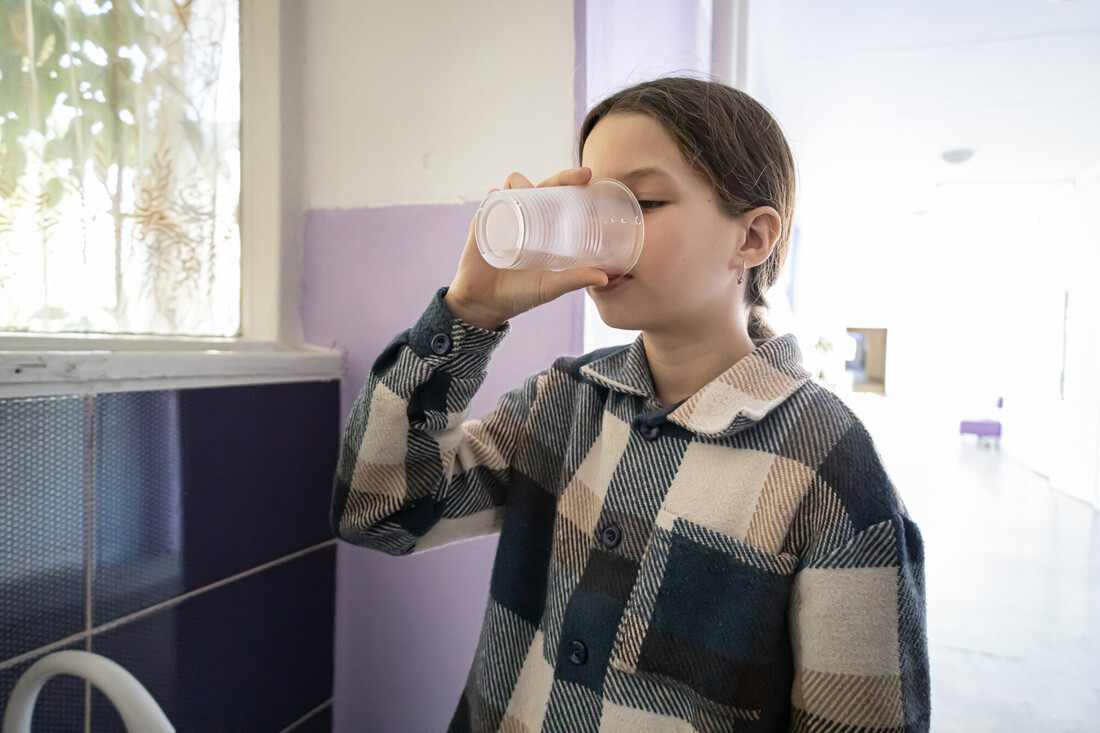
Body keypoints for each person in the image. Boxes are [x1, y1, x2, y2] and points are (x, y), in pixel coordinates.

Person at [330, 76, 930, 732]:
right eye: (590, 205)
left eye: (640, 200)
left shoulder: (832, 472)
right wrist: (467, 313)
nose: (601, 233)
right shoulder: (561, 402)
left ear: (752, 239)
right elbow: (376, 508)